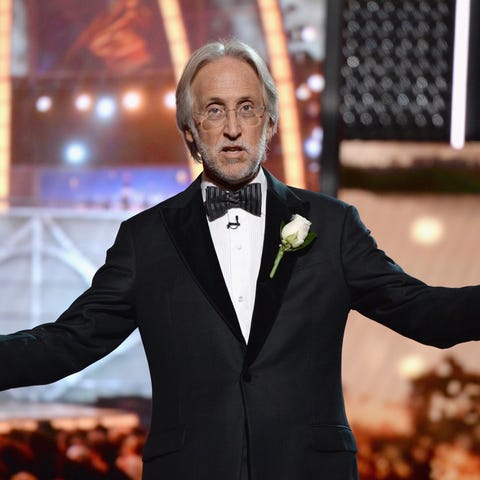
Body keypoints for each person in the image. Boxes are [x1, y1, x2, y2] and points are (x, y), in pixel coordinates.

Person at [0, 39, 479, 480]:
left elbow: (427, 313)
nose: (232, 128)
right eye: (214, 110)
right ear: (190, 131)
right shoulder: (144, 240)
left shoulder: (332, 227)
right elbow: (65, 343)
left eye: (246, 108)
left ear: (269, 122)